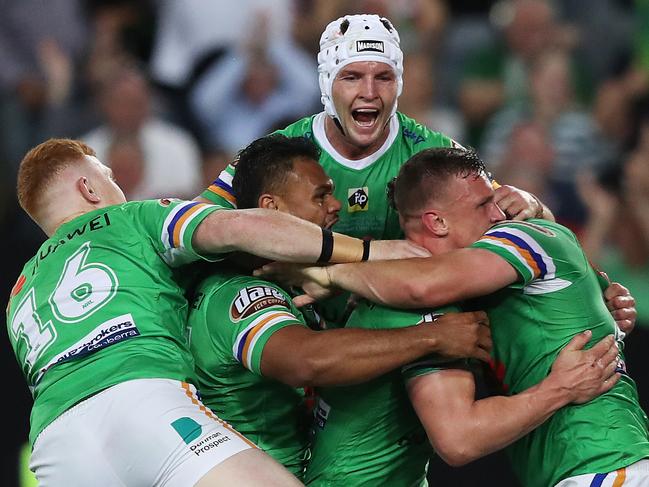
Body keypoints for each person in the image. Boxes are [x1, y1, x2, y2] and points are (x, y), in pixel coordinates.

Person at [5, 138, 420, 486]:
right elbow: (242, 228)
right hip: (141, 399)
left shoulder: (20, 291)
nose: (117, 189)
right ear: (89, 189)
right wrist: (370, 251)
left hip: (55, 444)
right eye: (109, 178)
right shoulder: (129, 218)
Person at [195, 14, 636, 332]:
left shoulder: (438, 153)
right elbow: (201, 222)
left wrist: (596, 283)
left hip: (398, 336)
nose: (369, 92)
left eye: (383, 78)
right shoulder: (278, 152)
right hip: (292, 335)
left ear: (399, 84)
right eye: (352, 77)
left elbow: (520, 227)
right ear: (327, 83)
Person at [260, 148, 649, 487]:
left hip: (604, 462)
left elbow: (426, 283)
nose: (501, 213)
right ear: (437, 222)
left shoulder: (522, 240)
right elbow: (459, 437)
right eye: (483, 205)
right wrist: (559, 387)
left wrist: (329, 272)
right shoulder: (429, 305)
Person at [187, 134, 492, 479]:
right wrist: (431, 337)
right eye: (321, 196)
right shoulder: (240, 293)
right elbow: (307, 361)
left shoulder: (290, 284)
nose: (335, 205)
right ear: (271, 209)